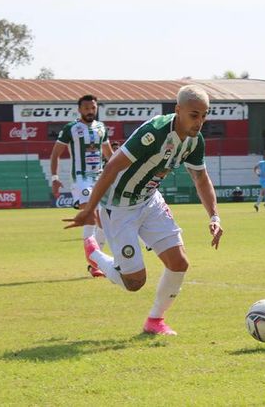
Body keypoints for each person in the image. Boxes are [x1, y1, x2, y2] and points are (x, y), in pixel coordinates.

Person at [63, 85, 223, 336]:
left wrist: (214, 216)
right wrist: (90, 209)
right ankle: (94, 252)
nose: (200, 121)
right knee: (134, 283)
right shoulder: (154, 133)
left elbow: (201, 179)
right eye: (194, 115)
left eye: (205, 115)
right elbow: (111, 167)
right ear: (178, 110)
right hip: (119, 207)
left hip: (150, 201)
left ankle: (155, 321)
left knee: (179, 263)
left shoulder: (194, 141)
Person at [50, 94, 113, 277]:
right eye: (86, 108)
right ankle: (94, 261)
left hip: (100, 179)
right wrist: (54, 177)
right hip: (81, 179)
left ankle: (96, 264)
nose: (90, 111)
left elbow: (109, 155)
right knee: (91, 216)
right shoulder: (71, 128)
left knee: (104, 222)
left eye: (93, 108)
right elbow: (55, 154)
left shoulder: (101, 128)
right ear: (79, 110)